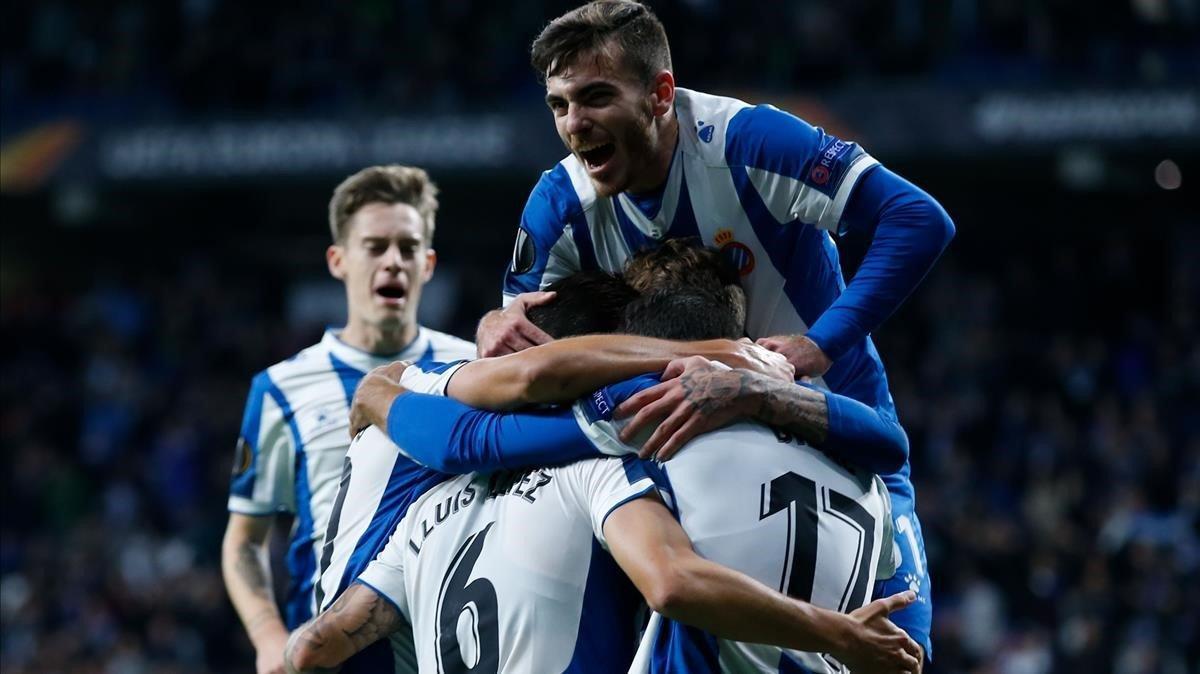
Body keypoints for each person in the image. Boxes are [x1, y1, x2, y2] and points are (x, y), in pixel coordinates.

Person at [476, 1, 954, 662]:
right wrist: (495, 324)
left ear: (661, 93)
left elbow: (917, 218)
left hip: (827, 425)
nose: (573, 124)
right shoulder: (559, 204)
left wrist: (817, 345)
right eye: (558, 105)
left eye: (594, 97)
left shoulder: (749, 142)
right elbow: (514, 352)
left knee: (902, 655)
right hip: (678, 452)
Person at [292, 271, 921, 674]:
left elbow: (461, 432)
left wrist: (379, 389)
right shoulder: (849, 444)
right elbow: (891, 444)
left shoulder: (626, 442)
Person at [220, 165, 476, 674]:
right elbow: (243, 541)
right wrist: (269, 639)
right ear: (338, 260)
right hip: (326, 655)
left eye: (408, 248)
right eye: (375, 246)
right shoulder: (280, 388)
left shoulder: (472, 370)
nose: (393, 262)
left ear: (428, 264)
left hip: (442, 647)